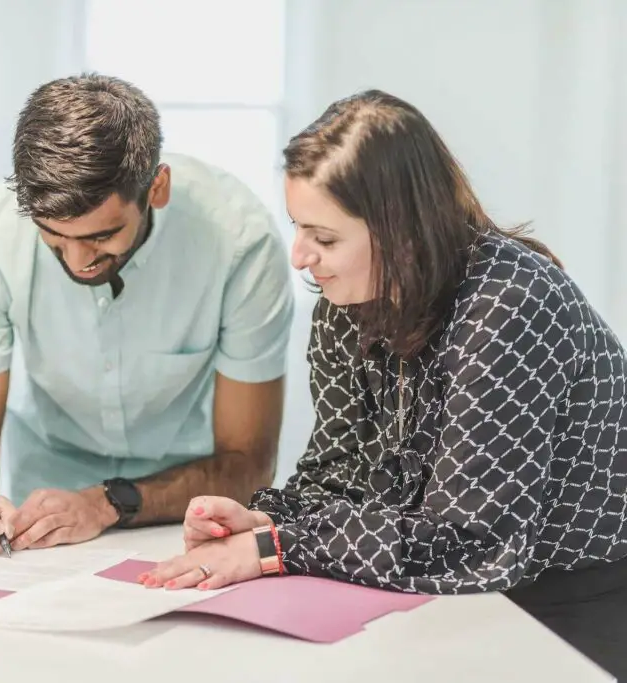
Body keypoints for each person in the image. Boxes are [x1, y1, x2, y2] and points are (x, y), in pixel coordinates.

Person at [142, 90, 627, 678]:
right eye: (298, 229)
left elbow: (470, 542)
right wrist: (260, 523)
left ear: (402, 233)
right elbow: (337, 475)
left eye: (324, 238)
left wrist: (276, 549)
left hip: (573, 601)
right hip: (436, 589)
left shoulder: (510, 305)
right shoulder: (343, 304)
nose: (300, 258)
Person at [0, 73, 294, 555]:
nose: (79, 262)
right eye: (54, 238)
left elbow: (249, 463)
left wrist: (104, 504)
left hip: (189, 514)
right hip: (40, 514)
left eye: (101, 237)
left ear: (156, 189)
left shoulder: (240, 243)